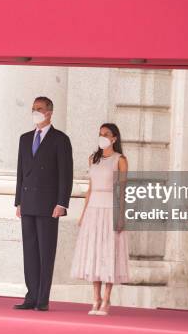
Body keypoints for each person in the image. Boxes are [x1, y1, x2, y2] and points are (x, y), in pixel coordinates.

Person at [13, 97, 73, 311]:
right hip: (28, 203)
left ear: (49, 112)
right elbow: (21, 172)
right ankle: (31, 296)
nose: (35, 112)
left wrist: (62, 203)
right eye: (33, 108)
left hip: (49, 205)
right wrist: (18, 201)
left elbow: (66, 174)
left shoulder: (60, 139)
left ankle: (42, 299)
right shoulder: (24, 138)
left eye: (39, 109)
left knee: (45, 252)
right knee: (29, 252)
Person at [70, 123, 129, 315]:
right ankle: (95, 298)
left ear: (114, 138)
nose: (102, 136)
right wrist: (83, 214)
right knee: (94, 252)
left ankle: (106, 298)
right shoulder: (92, 159)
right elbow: (90, 189)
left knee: (108, 252)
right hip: (94, 210)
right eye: (100, 134)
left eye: (106, 134)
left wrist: (120, 217)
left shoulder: (120, 160)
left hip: (110, 209)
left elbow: (123, 191)